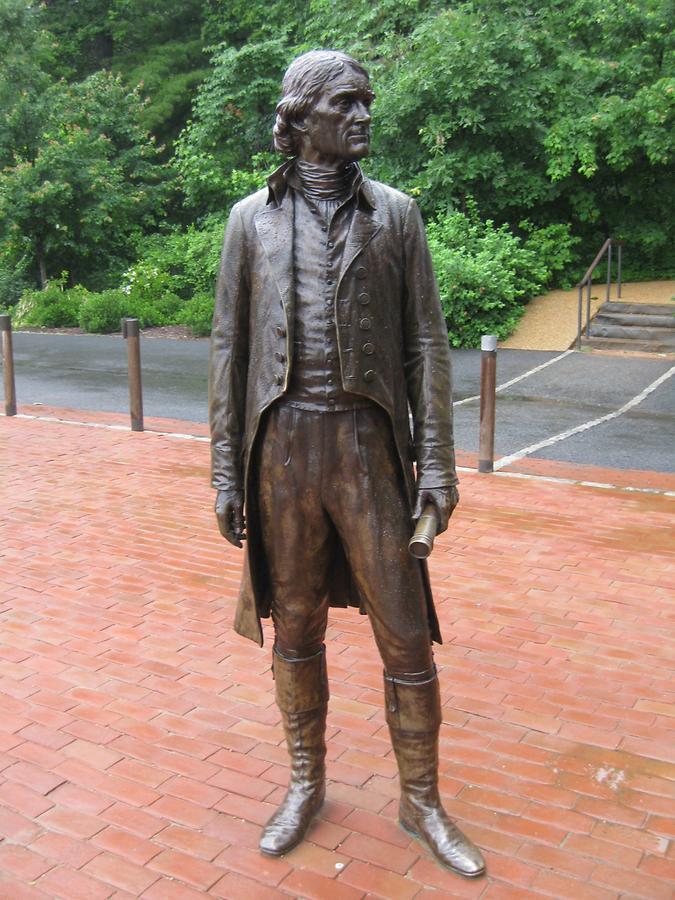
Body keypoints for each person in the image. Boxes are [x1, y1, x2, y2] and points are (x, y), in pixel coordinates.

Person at [209, 49, 485, 879]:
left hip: (369, 452)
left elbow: (426, 346)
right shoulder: (246, 220)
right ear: (300, 121)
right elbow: (228, 349)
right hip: (282, 450)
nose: (364, 116)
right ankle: (305, 783)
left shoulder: (396, 214)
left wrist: (435, 466)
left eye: (366, 102)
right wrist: (225, 470)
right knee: (292, 627)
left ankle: (422, 799)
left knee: (405, 635)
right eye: (347, 103)